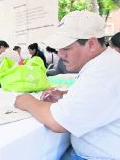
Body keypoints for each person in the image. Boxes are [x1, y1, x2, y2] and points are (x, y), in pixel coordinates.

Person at [14, 11, 120, 159]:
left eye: (66, 48)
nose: (60, 54)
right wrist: (67, 95)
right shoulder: (106, 62)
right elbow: (98, 97)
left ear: (91, 43)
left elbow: (57, 122)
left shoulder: (104, 71)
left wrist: (27, 101)